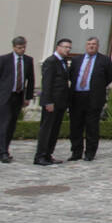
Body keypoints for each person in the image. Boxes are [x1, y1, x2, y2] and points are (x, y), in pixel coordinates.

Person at [0, 35, 35, 163]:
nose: (22, 50)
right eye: (19, 48)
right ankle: (2, 152)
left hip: (18, 96)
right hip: (4, 96)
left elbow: (31, 80)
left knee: (12, 125)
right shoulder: (4, 59)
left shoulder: (28, 60)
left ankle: (4, 150)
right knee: (4, 125)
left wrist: (28, 97)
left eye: (24, 47)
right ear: (13, 47)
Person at [68, 36, 112, 162]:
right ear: (86, 45)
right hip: (77, 96)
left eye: (94, 44)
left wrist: (98, 86)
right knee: (75, 126)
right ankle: (76, 152)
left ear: (98, 46)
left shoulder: (104, 60)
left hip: (94, 97)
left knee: (92, 126)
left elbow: (110, 76)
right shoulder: (77, 60)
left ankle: (90, 152)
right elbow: (71, 75)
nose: (91, 46)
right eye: (89, 44)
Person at [34, 38, 74, 166]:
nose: (67, 50)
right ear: (58, 47)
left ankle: (48, 154)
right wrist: (48, 102)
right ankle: (40, 156)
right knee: (46, 129)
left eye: (69, 48)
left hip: (60, 102)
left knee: (54, 130)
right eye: (65, 47)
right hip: (51, 102)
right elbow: (47, 83)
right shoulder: (51, 61)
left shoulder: (63, 62)